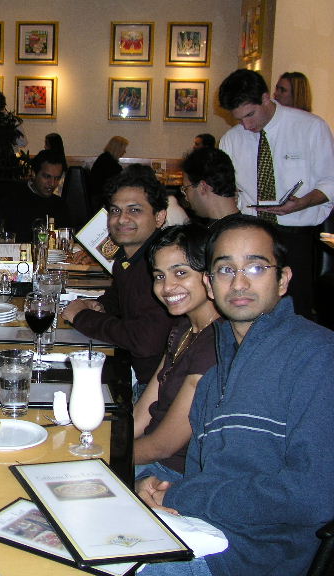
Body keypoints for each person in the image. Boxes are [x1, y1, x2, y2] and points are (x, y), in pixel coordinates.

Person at [136, 215, 334, 575]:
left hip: (253, 558)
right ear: (210, 284)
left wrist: (182, 495)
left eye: (256, 268)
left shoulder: (317, 356)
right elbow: (204, 474)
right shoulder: (216, 375)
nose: (239, 283)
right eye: (226, 270)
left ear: (283, 280)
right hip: (202, 531)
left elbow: (313, 496)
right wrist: (157, 488)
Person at [217, 68, 334, 318]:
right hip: (251, 235)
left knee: (296, 312)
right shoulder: (231, 140)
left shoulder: (310, 127)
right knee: (252, 310)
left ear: (266, 98)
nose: (247, 126)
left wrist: (302, 203)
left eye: (250, 115)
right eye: (239, 119)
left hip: (297, 238)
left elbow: (330, 181)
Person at [62, 165, 175, 399]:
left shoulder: (160, 265)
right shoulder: (128, 258)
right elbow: (120, 295)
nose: (122, 219)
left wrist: (82, 317)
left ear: (159, 216)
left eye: (134, 210)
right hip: (137, 371)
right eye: (115, 210)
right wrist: (100, 305)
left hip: (159, 387)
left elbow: (145, 340)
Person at [133, 224, 218, 479]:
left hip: (172, 473)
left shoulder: (216, 344)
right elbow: (141, 414)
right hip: (147, 455)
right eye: (159, 276)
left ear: (210, 275)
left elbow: (163, 446)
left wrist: (101, 455)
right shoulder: (184, 327)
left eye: (180, 273)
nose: (167, 287)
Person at [0, 149, 69, 243]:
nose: (52, 183)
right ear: (34, 174)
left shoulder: (61, 205)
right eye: (47, 177)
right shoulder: (11, 202)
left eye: (57, 178)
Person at [180, 147, 239, 224]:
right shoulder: (248, 225)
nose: (186, 198)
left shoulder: (217, 230)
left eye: (186, 189)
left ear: (202, 187)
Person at [88, 136, 128, 214]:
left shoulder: (105, 159)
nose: (124, 151)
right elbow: (117, 183)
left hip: (99, 198)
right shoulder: (109, 163)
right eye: (123, 148)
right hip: (102, 201)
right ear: (118, 149)